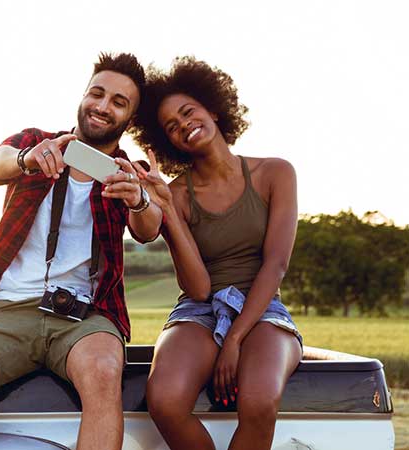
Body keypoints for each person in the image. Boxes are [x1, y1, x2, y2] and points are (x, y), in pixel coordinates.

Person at [0, 52, 163, 450]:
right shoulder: (37, 143)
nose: (102, 106)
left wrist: (138, 199)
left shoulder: (127, 172)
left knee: (103, 374)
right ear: (82, 96)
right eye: (96, 94)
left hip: (85, 316)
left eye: (118, 102)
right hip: (8, 310)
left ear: (129, 119)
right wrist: (24, 159)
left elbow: (149, 229)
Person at [129, 56, 303, 450]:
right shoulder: (174, 194)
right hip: (198, 310)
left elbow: (276, 265)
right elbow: (198, 286)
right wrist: (169, 211)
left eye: (189, 112)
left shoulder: (276, 173)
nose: (184, 125)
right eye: (172, 127)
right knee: (165, 400)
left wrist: (235, 339)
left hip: (263, 311)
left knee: (258, 402)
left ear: (213, 107)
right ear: (166, 141)